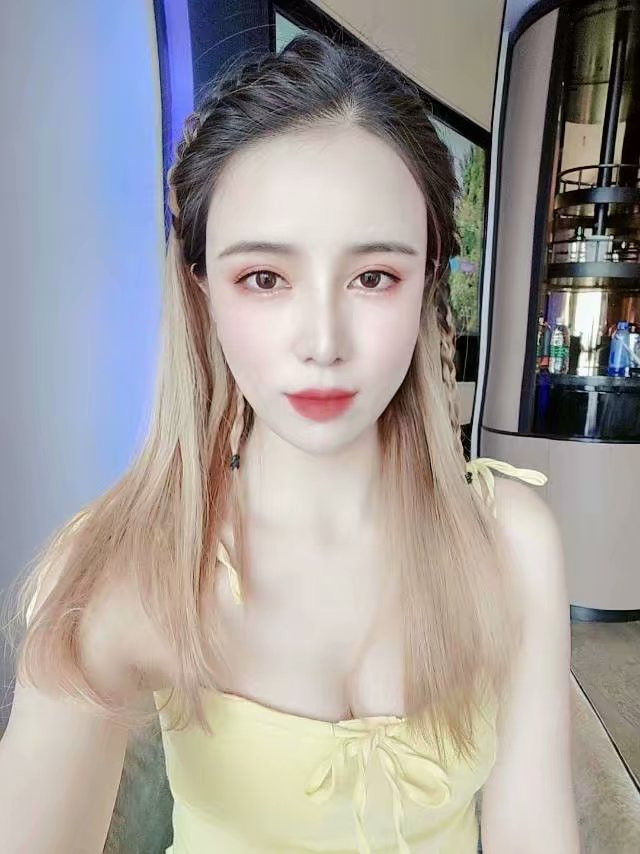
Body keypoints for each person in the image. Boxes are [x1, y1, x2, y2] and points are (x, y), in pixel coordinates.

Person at [0, 30, 580, 854]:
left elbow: (535, 833)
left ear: (426, 285)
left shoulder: (511, 541)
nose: (322, 342)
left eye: (373, 277)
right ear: (203, 293)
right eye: (264, 278)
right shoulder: (122, 567)